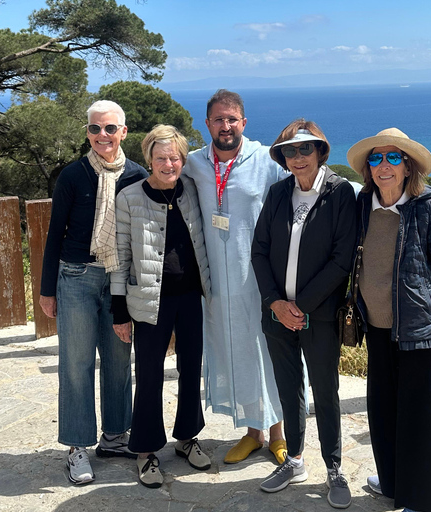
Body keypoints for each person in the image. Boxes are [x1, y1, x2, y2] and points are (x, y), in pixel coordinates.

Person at [346, 128, 431, 512]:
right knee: (382, 410)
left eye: (393, 158)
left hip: (416, 330)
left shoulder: (427, 206)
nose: (384, 166)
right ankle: (393, 482)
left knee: (418, 419)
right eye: (376, 158)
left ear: (408, 166)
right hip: (376, 327)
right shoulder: (364, 203)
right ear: (368, 168)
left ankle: (423, 500)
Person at [39, 100, 148, 484]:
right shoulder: (72, 176)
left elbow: (144, 236)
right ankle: (77, 446)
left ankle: (116, 436)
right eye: (95, 129)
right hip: (77, 277)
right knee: (76, 363)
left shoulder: (138, 176)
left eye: (110, 128)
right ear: (87, 133)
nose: (102, 136)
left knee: (119, 361)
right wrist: (46, 289)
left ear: (123, 131)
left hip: (120, 279)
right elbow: (55, 235)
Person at [251, 120, 357, 509]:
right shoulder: (278, 193)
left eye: (305, 150)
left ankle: (334, 467)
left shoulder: (340, 193)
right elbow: (259, 250)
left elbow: (341, 259)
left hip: (320, 315)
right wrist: (276, 304)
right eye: (290, 152)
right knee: (288, 389)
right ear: (283, 158)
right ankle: (294, 459)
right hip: (278, 316)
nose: (298, 158)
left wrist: (302, 306)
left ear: (320, 152)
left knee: (325, 392)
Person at [181, 89, 288, 464]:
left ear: (244, 123)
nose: (225, 126)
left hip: (259, 281)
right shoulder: (193, 163)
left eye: (232, 119)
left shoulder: (266, 162)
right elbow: (159, 177)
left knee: (268, 354)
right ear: (206, 124)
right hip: (217, 287)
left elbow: (307, 186)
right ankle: (252, 433)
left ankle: (279, 433)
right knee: (237, 356)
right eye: (218, 119)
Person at [110, 124, 212, 488]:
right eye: (160, 157)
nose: (168, 164)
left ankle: (187, 437)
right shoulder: (129, 197)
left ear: (183, 159)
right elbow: (120, 257)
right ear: (149, 159)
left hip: (190, 297)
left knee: (191, 369)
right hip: (149, 301)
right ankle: (146, 450)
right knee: (150, 376)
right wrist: (119, 312)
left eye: (174, 157)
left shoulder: (194, 191)